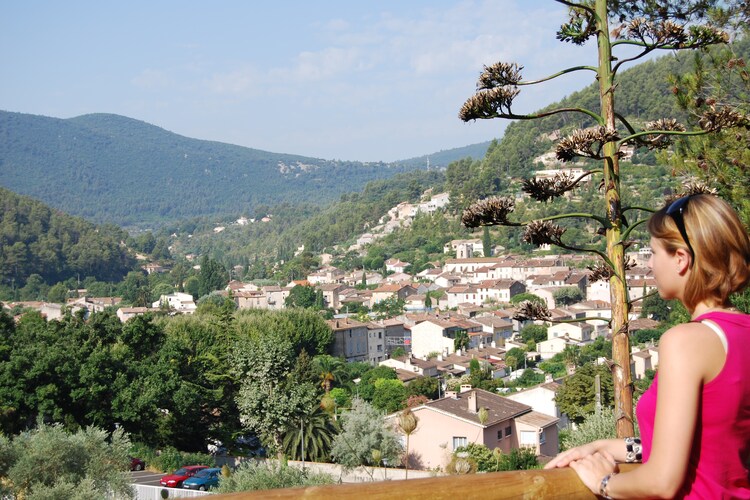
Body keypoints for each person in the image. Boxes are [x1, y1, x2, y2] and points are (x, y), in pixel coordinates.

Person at [544, 194, 750, 498]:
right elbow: (709, 443)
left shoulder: (686, 341)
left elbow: (662, 482)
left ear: (681, 259)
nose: (649, 264)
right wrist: (605, 446)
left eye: (653, 252)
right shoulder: (741, 333)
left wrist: (603, 484)